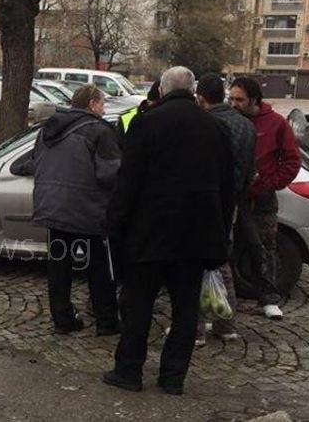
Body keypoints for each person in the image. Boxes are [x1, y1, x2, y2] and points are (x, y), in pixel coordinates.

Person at [102, 66, 234, 395]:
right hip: (195, 237)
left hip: (148, 233)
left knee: (139, 305)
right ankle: (173, 377)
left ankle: (128, 371)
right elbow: (228, 188)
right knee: (186, 309)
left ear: (161, 90)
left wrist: (115, 224)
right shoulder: (216, 129)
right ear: (192, 91)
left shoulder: (146, 123)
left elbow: (127, 182)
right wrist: (220, 231)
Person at [11, 84, 121, 336]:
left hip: (52, 209)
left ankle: (63, 320)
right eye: (102, 104)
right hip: (88, 213)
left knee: (59, 269)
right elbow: (110, 174)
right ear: (92, 104)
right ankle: (107, 322)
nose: (103, 110)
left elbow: (35, 162)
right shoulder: (100, 131)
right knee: (99, 269)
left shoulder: (48, 129)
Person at [228, 76, 301, 320]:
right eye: (231, 98)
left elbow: (292, 160)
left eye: (239, 99)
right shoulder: (230, 121)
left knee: (265, 248)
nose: (234, 104)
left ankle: (269, 299)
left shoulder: (275, 123)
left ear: (254, 100)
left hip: (260, 199)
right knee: (227, 248)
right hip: (232, 196)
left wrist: (270, 184)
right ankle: (225, 299)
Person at [195, 73, 256, 344]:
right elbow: (248, 171)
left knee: (196, 263)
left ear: (201, 97)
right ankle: (226, 323)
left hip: (205, 203)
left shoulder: (204, 124)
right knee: (222, 261)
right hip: (230, 202)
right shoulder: (246, 127)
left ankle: (194, 328)